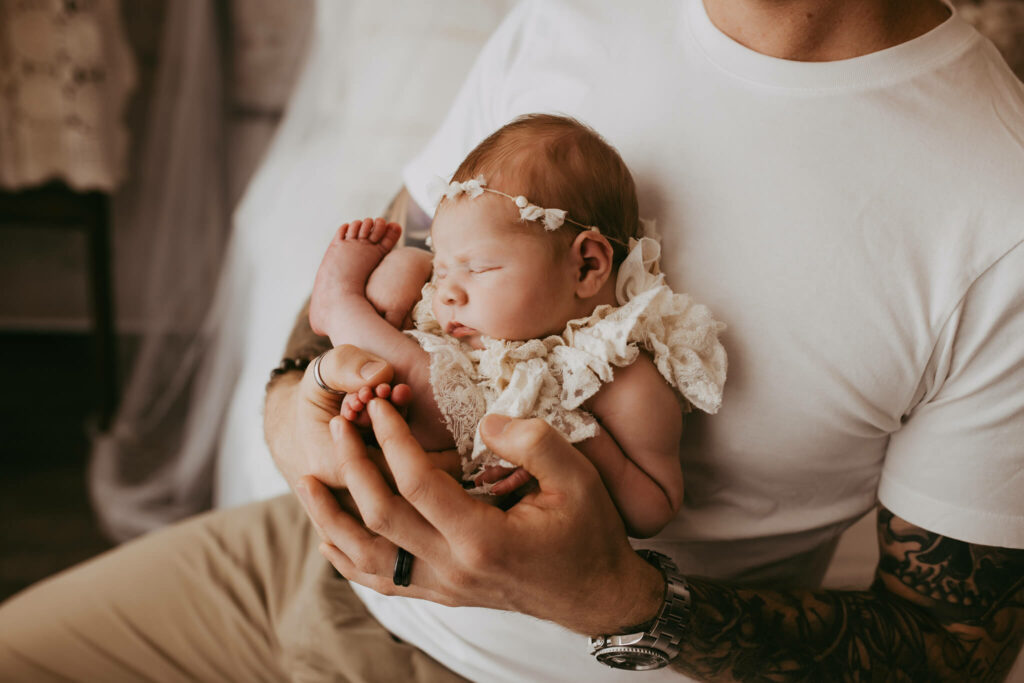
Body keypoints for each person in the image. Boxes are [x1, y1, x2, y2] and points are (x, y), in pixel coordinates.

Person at [2, 0, 1022, 681]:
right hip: (307, 556)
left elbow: (950, 650)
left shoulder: (996, 204)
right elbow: (396, 261)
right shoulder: (574, 16)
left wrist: (618, 598)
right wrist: (288, 411)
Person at [308, 114, 726, 537]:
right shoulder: (467, 316)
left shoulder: (619, 379)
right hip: (416, 479)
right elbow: (437, 286)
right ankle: (377, 414)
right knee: (405, 272)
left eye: (481, 267)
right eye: (444, 266)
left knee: (422, 379)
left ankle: (342, 306)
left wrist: (578, 437)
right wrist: (413, 274)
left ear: (586, 266)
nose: (448, 292)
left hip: (484, 512)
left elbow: (656, 507)